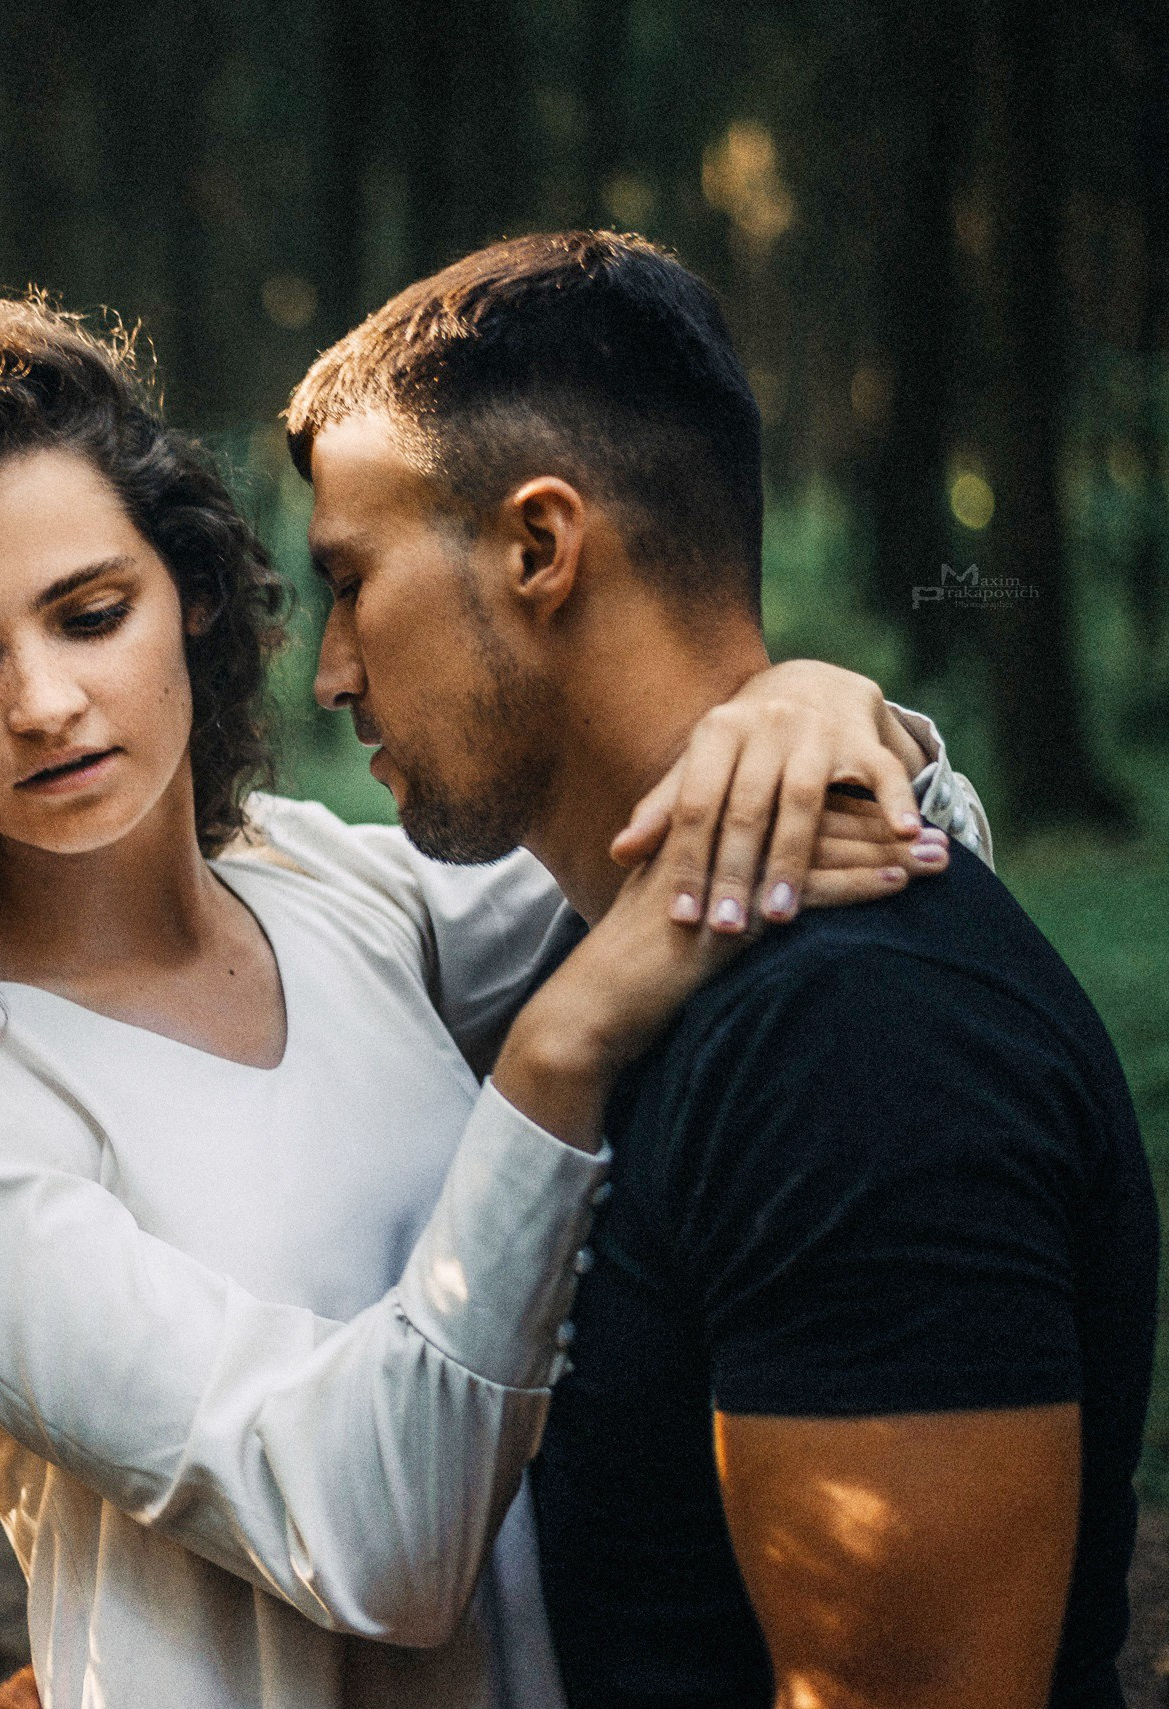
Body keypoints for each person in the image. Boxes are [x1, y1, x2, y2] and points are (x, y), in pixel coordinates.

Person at [0, 294, 979, 1709]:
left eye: (91, 615)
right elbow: (381, 1539)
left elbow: (841, 854)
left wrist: (806, 706)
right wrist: (555, 1052)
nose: (42, 702)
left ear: (192, 595)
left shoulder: (323, 882)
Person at [280, 230, 1154, 1709]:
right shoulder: (612, 954)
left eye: (351, 581)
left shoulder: (859, 1038)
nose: (331, 670)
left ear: (539, 549)